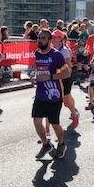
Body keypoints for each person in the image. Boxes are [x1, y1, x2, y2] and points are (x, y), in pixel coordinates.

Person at [34, 29, 71, 160]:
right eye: (39, 38)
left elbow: (67, 73)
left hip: (54, 95)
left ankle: (61, 144)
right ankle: (46, 144)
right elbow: (38, 70)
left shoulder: (56, 55)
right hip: (40, 94)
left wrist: (50, 76)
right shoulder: (37, 54)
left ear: (50, 41)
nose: (40, 40)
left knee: (55, 123)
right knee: (36, 120)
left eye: (43, 38)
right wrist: (37, 76)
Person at [51, 30, 80, 129]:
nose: (53, 39)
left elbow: (68, 65)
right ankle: (74, 111)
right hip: (56, 77)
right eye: (53, 37)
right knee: (64, 100)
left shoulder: (64, 50)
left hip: (65, 77)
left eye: (56, 37)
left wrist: (58, 70)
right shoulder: (50, 49)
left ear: (61, 39)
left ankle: (74, 114)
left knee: (66, 100)